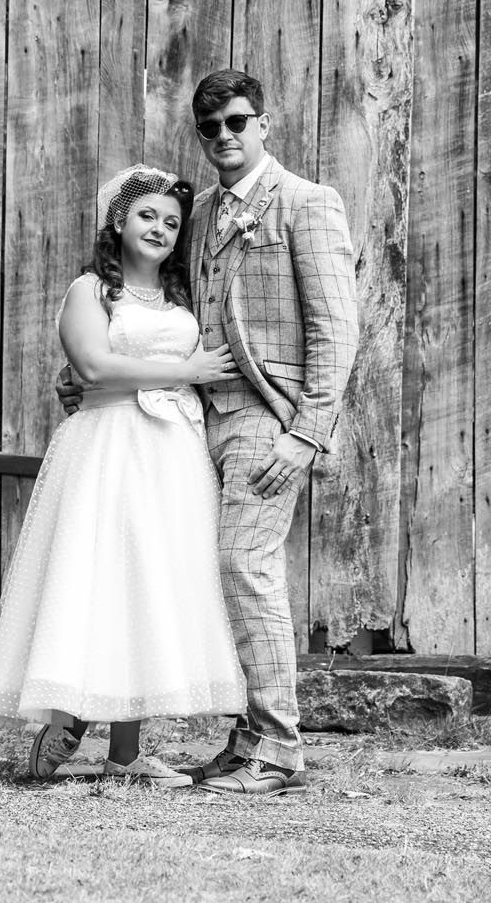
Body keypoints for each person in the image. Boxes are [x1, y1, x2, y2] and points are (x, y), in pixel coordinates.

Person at [58, 69, 359, 797]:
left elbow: (337, 329)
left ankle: (278, 750)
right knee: (208, 576)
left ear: (264, 124)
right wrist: (84, 382)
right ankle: (245, 739)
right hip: (195, 424)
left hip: (265, 416)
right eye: (210, 127)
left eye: (236, 121)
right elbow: (160, 312)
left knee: (244, 566)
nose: (224, 135)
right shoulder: (199, 219)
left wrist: (307, 432)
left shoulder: (306, 204)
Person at [0, 165, 247, 787]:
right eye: (147, 216)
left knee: (150, 586)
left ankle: (126, 752)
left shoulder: (181, 301)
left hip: (173, 452)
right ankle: (68, 715)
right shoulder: (91, 290)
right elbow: (93, 368)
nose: (160, 229)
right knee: (97, 577)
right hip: (108, 446)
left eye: (172, 223)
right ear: (119, 221)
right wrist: (185, 371)